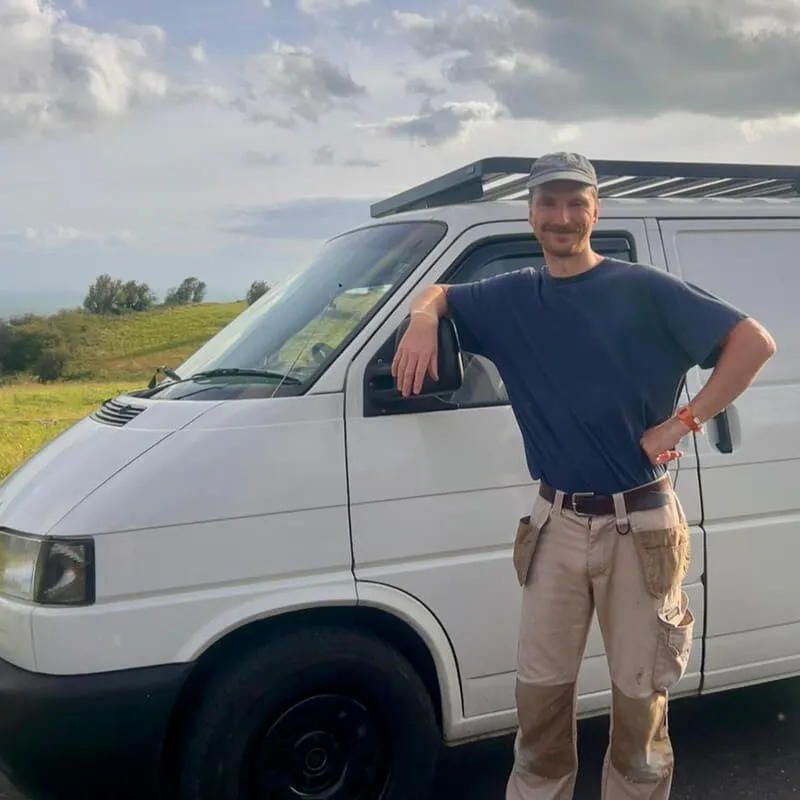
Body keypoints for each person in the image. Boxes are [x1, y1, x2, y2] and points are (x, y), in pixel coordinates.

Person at [391, 152, 777, 800]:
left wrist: (684, 421)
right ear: (532, 213)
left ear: (596, 210)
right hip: (555, 526)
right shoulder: (511, 295)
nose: (562, 217)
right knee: (538, 704)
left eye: (576, 203)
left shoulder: (643, 289)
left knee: (639, 706)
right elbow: (439, 292)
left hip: (641, 525)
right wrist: (424, 319)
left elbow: (754, 343)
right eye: (549, 203)